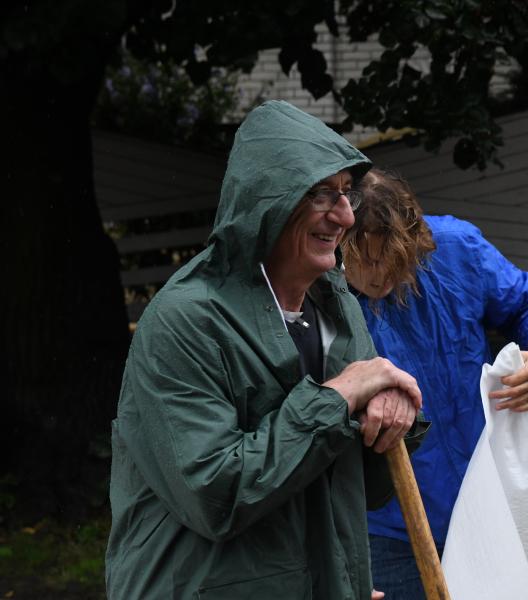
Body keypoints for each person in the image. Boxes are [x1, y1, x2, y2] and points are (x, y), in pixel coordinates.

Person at [106, 100, 422, 599]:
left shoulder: (336, 307)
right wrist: (339, 397)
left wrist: (390, 415)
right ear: (267, 201)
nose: (343, 215)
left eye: (346, 194)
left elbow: (362, 485)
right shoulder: (187, 320)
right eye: (321, 194)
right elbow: (217, 495)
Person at [342, 168, 528, 599]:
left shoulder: (457, 249)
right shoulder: (318, 294)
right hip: (392, 527)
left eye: (391, 257)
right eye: (364, 259)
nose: (377, 274)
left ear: (413, 242)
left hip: (494, 495)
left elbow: (525, 303)